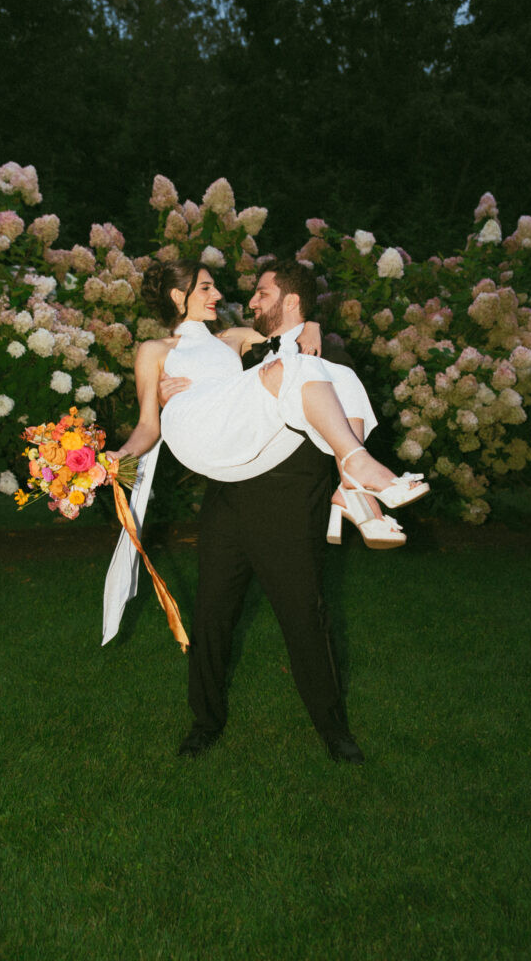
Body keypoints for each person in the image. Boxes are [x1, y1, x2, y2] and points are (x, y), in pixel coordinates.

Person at [112, 258, 428, 763]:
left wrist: (315, 323)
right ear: (179, 297)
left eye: (257, 293)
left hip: (287, 500)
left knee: (305, 617)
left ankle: (333, 731)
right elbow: (156, 424)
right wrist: (108, 460)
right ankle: (205, 722)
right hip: (227, 496)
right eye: (209, 287)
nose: (232, 297)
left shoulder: (247, 341)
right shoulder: (170, 350)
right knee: (212, 615)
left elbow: (290, 347)